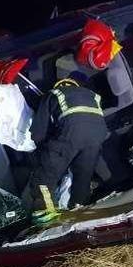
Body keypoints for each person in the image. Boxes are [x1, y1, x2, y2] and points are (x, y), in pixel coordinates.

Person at [24, 77, 108, 219]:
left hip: (73, 130)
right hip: (99, 133)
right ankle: (79, 209)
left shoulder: (54, 93)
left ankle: (46, 212)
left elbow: (39, 131)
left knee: (46, 174)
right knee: (83, 176)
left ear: (59, 85)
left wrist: (44, 149)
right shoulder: (92, 94)